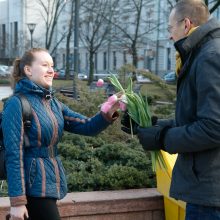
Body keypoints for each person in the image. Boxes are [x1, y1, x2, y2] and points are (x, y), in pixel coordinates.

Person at [121, 0, 220, 219]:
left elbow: (214, 127)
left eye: (170, 28)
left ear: (186, 24)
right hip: (207, 190)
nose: (169, 35)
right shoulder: (204, 53)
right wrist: (151, 125)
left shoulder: (210, 56)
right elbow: (196, 118)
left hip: (211, 195)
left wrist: (162, 138)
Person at [2, 48, 120, 220]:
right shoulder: (16, 104)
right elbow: (14, 155)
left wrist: (107, 112)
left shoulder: (53, 103)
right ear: (28, 70)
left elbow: (87, 126)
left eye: (52, 66)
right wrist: (18, 202)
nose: (51, 70)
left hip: (50, 182)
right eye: (44, 65)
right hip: (32, 186)